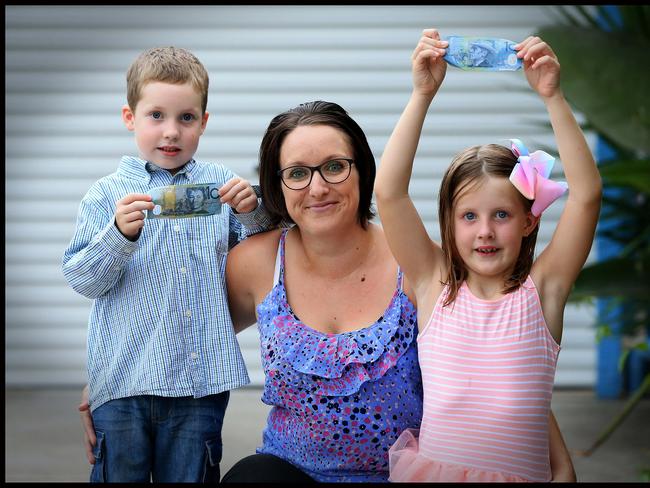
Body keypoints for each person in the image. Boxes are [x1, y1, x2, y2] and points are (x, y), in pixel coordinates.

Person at [78, 100, 576, 482]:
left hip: (401, 472)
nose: (317, 188)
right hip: (290, 472)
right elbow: (184, 329)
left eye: (335, 167)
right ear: (278, 184)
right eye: (297, 173)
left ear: (362, 170)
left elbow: (494, 361)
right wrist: (111, 379)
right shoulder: (256, 262)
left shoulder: (420, 265)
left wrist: (553, 456)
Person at [375, 29, 601, 482]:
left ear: (529, 221)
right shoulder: (433, 284)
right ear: (449, 223)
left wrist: (553, 96)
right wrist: (422, 94)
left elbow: (587, 196)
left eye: (501, 214)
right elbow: (389, 193)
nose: (485, 232)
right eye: (469, 217)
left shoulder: (544, 293)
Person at [62, 46, 270, 483]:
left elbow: (264, 260)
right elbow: (84, 280)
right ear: (129, 117)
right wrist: (120, 235)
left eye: (187, 118)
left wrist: (252, 213)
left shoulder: (221, 187)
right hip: (122, 380)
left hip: (199, 381)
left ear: (204, 122)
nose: (171, 132)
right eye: (156, 115)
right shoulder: (106, 195)